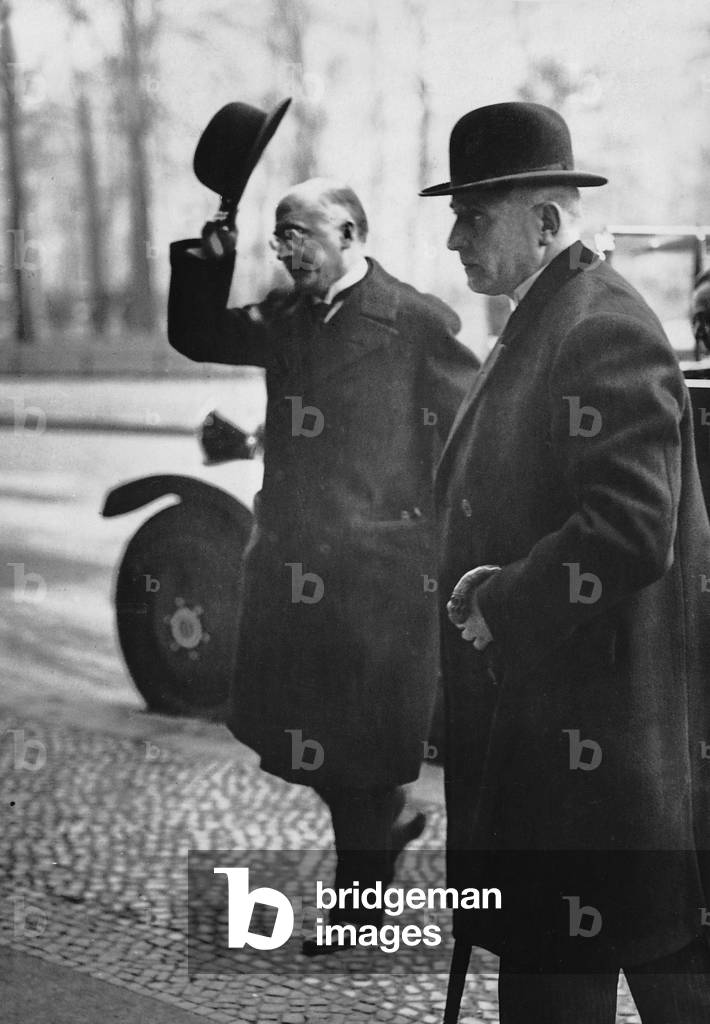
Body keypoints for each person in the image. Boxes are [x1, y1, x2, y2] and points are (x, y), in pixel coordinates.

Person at [420, 102, 710, 1022]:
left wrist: (501, 602)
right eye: (456, 211)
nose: (455, 234)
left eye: (475, 212)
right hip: (564, 752)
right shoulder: (548, 313)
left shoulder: (595, 323)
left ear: (544, 222)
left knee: (597, 981)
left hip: (595, 759)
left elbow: (628, 527)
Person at [168, 176, 479, 953]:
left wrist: (432, 548)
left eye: (298, 233)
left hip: (379, 578)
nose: (286, 249)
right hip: (295, 566)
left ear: (349, 232)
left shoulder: (415, 323)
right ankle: (389, 823)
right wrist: (209, 257)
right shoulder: (286, 316)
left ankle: (360, 908)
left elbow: (465, 444)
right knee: (319, 745)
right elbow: (201, 335)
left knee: (361, 753)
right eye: (278, 236)